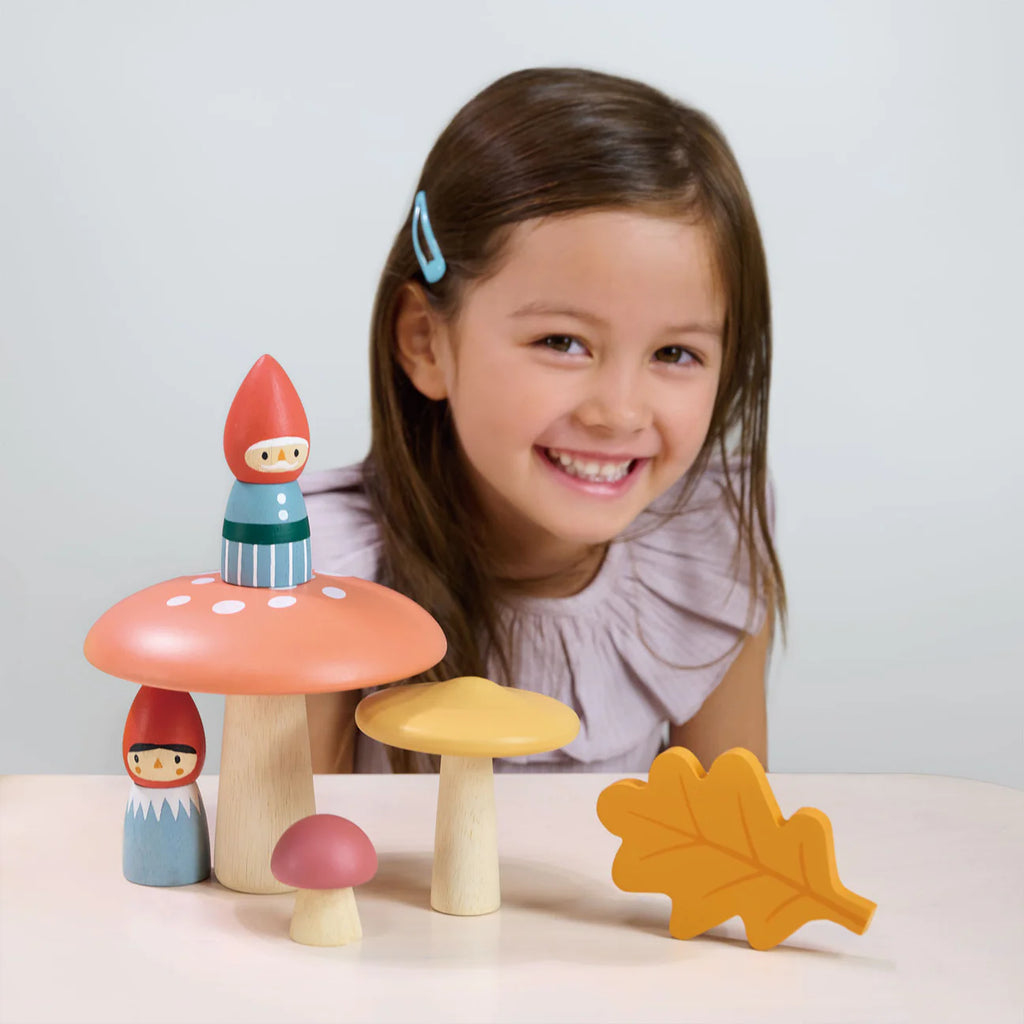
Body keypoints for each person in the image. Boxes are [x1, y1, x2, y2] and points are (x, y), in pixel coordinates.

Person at [303, 67, 785, 774]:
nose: (618, 411)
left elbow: (726, 846)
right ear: (426, 342)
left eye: (675, 352)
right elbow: (285, 867)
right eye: (562, 342)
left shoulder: (709, 542)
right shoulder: (321, 577)